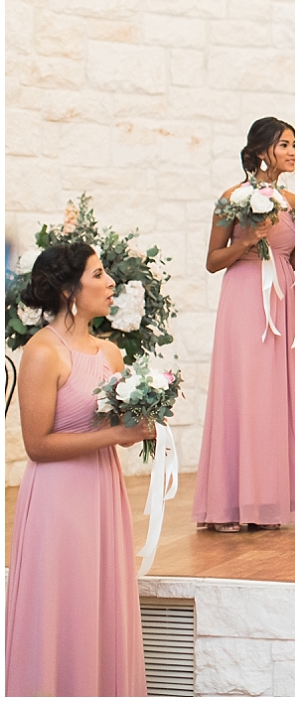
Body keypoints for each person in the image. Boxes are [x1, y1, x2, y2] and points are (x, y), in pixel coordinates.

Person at [6, 244, 151, 696]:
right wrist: (116, 436)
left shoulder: (110, 354)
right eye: (99, 274)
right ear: (70, 290)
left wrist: (146, 415)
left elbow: (114, 424)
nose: (111, 283)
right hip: (58, 501)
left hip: (102, 492)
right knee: (62, 606)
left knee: (99, 604)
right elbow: (37, 445)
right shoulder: (43, 351)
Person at [194, 118, 295, 532]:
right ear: (260, 151)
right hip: (245, 298)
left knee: (278, 397)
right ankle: (231, 503)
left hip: (284, 298)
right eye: (285, 144)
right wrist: (247, 240)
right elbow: (213, 261)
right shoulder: (232, 199)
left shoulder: (294, 201)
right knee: (246, 392)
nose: (293, 151)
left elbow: (290, 262)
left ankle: (267, 500)